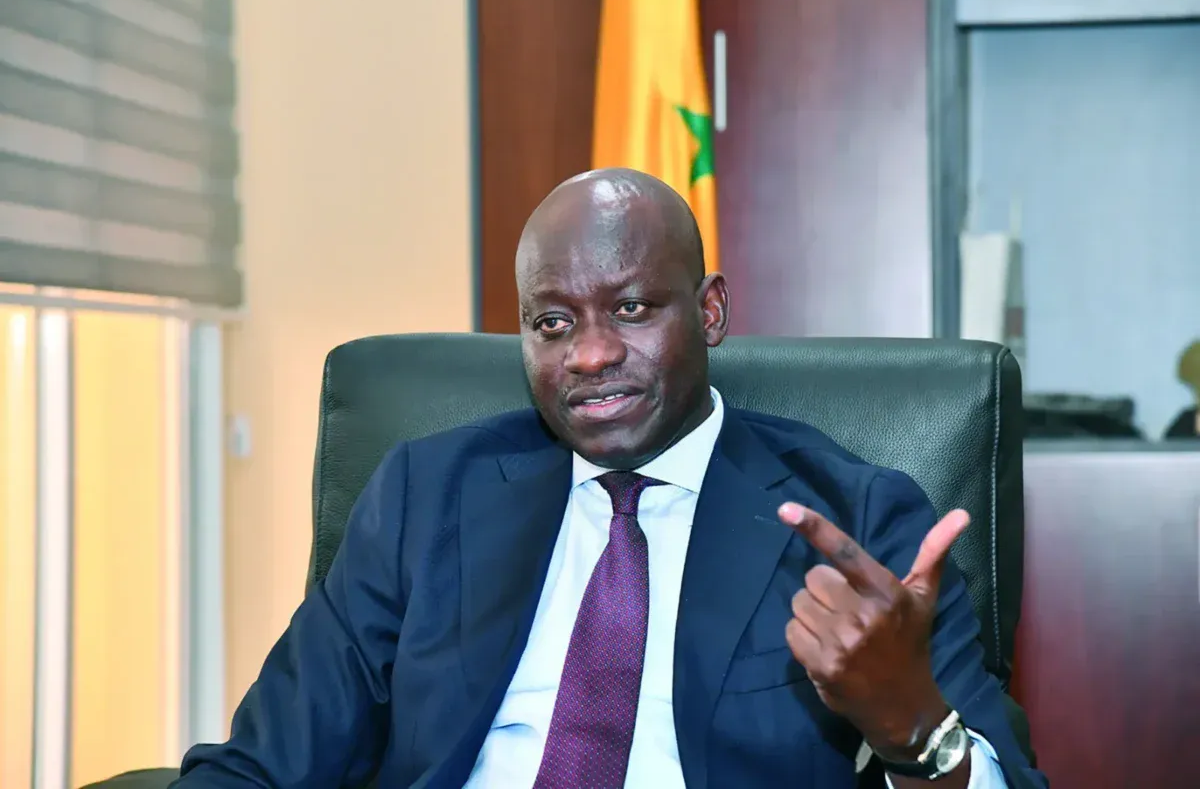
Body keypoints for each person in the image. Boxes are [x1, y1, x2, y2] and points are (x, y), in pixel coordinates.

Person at [175, 169, 1046, 788]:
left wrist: (910, 728)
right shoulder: (425, 496)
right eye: (553, 323)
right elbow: (263, 765)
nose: (589, 355)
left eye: (630, 309)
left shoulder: (855, 519)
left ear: (710, 310)